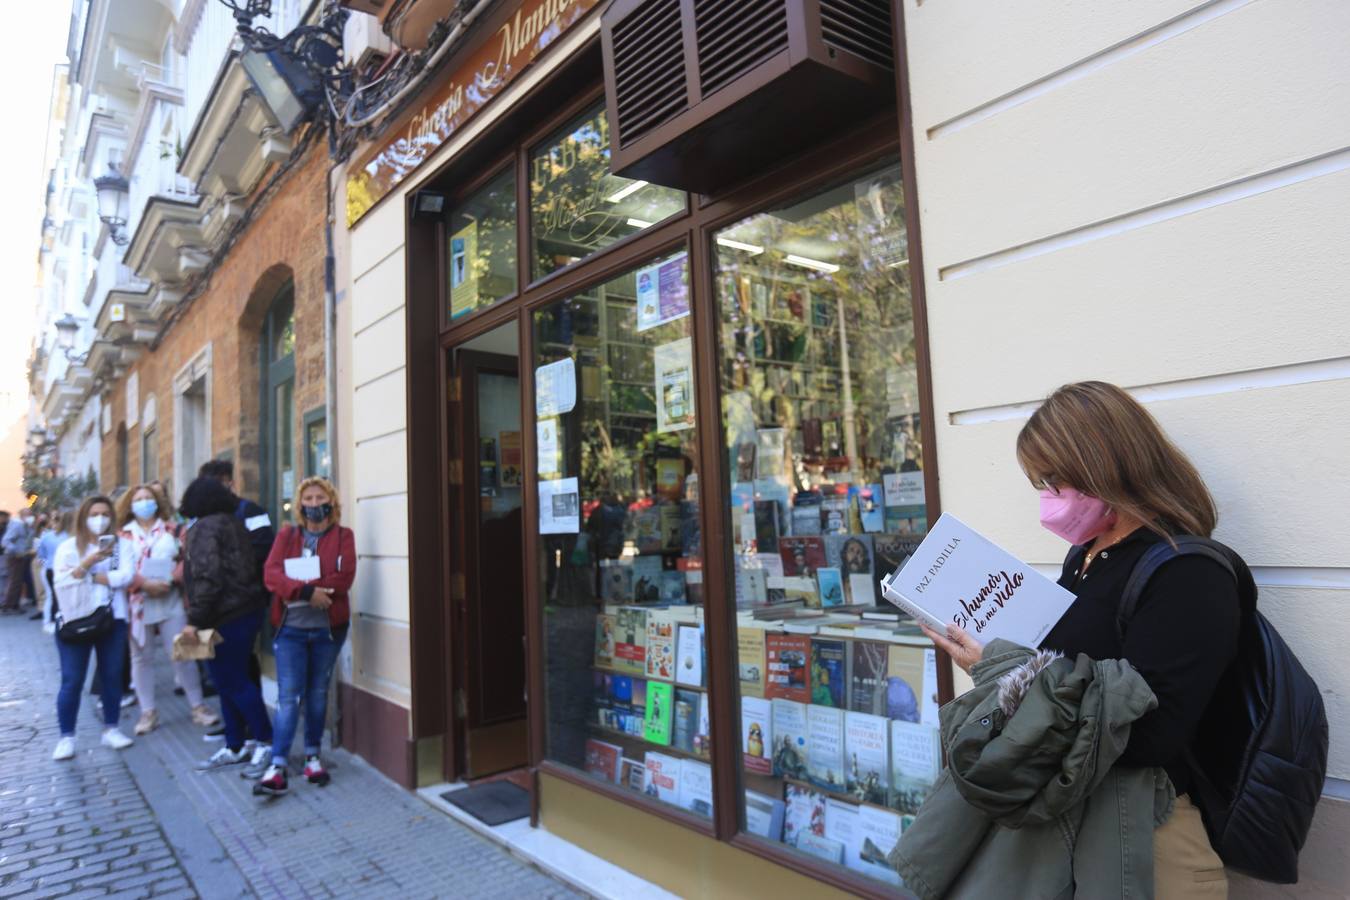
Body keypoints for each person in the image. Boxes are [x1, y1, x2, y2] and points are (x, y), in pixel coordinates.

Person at [920, 381, 1239, 897]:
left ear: (1105, 466)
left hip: (1146, 842)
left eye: (1056, 481)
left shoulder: (1189, 572)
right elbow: (1066, 672)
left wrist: (1006, 672)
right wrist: (1000, 666)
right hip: (1071, 830)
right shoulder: (1087, 555)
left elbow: (1151, 734)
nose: (1047, 498)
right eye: (1041, 482)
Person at [255, 477, 356, 796]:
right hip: (291, 630)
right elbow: (271, 574)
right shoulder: (288, 535)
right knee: (288, 696)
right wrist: (308, 591)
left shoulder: (343, 536)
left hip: (328, 629)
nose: (314, 503)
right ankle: (278, 764)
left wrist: (300, 587)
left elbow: (344, 577)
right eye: (308, 498)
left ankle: (313, 755)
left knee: (317, 693)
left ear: (331, 501)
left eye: (320, 496)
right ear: (300, 505)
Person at [178, 476, 274, 774]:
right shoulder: (232, 522)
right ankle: (236, 743)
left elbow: (208, 578)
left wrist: (194, 622)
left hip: (222, 616)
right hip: (243, 611)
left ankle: (265, 741)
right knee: (228, 682)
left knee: (231, 681)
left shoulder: (205, 528)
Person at [116, 484, 219, 734]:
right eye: (138, 499)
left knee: (186, 651)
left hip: (172, 596)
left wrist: (172, 579)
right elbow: (118, 567)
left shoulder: (174, 529)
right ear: (130, 505)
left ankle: (198, 706)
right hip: (138, 601)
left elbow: (188, 559)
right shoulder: (122, 535)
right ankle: (148, 712)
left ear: (158, 502)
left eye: (149, 498)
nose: (144, 503)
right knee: (141, 658)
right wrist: (144, 584)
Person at [50, 496, 137, 760]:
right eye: (94, 513)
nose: (100, 519)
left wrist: (86, 573)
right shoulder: (68, 547)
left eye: (105, 514)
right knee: (72, 680)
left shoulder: (123, 546)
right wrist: (91, 561)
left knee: (112, 676)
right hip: (75, 619)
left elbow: (126, 576)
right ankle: (66, 736)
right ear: (83, 516)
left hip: (112, 618)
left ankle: (112, 728)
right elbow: (61, 579)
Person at [37, 510, 73, 632]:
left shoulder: (46, 536)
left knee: (51, 596)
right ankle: (53, 620)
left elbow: (41, 554)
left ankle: (50, 621)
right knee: (56, 596)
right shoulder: (68, 536)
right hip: (58, 569)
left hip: (50, 569)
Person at [2, 507, 37, 611]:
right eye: (28, 514)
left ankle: (14, 605)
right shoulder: (17, 525)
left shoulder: (27, 526)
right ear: (22, 515)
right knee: (15, 581)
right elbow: (5, 541)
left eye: (31, 514)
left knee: (18, 581)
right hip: (15, 556)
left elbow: (28, 540)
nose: (30, 517)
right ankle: (9, 606)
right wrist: (16, 551)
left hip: (23, 556)